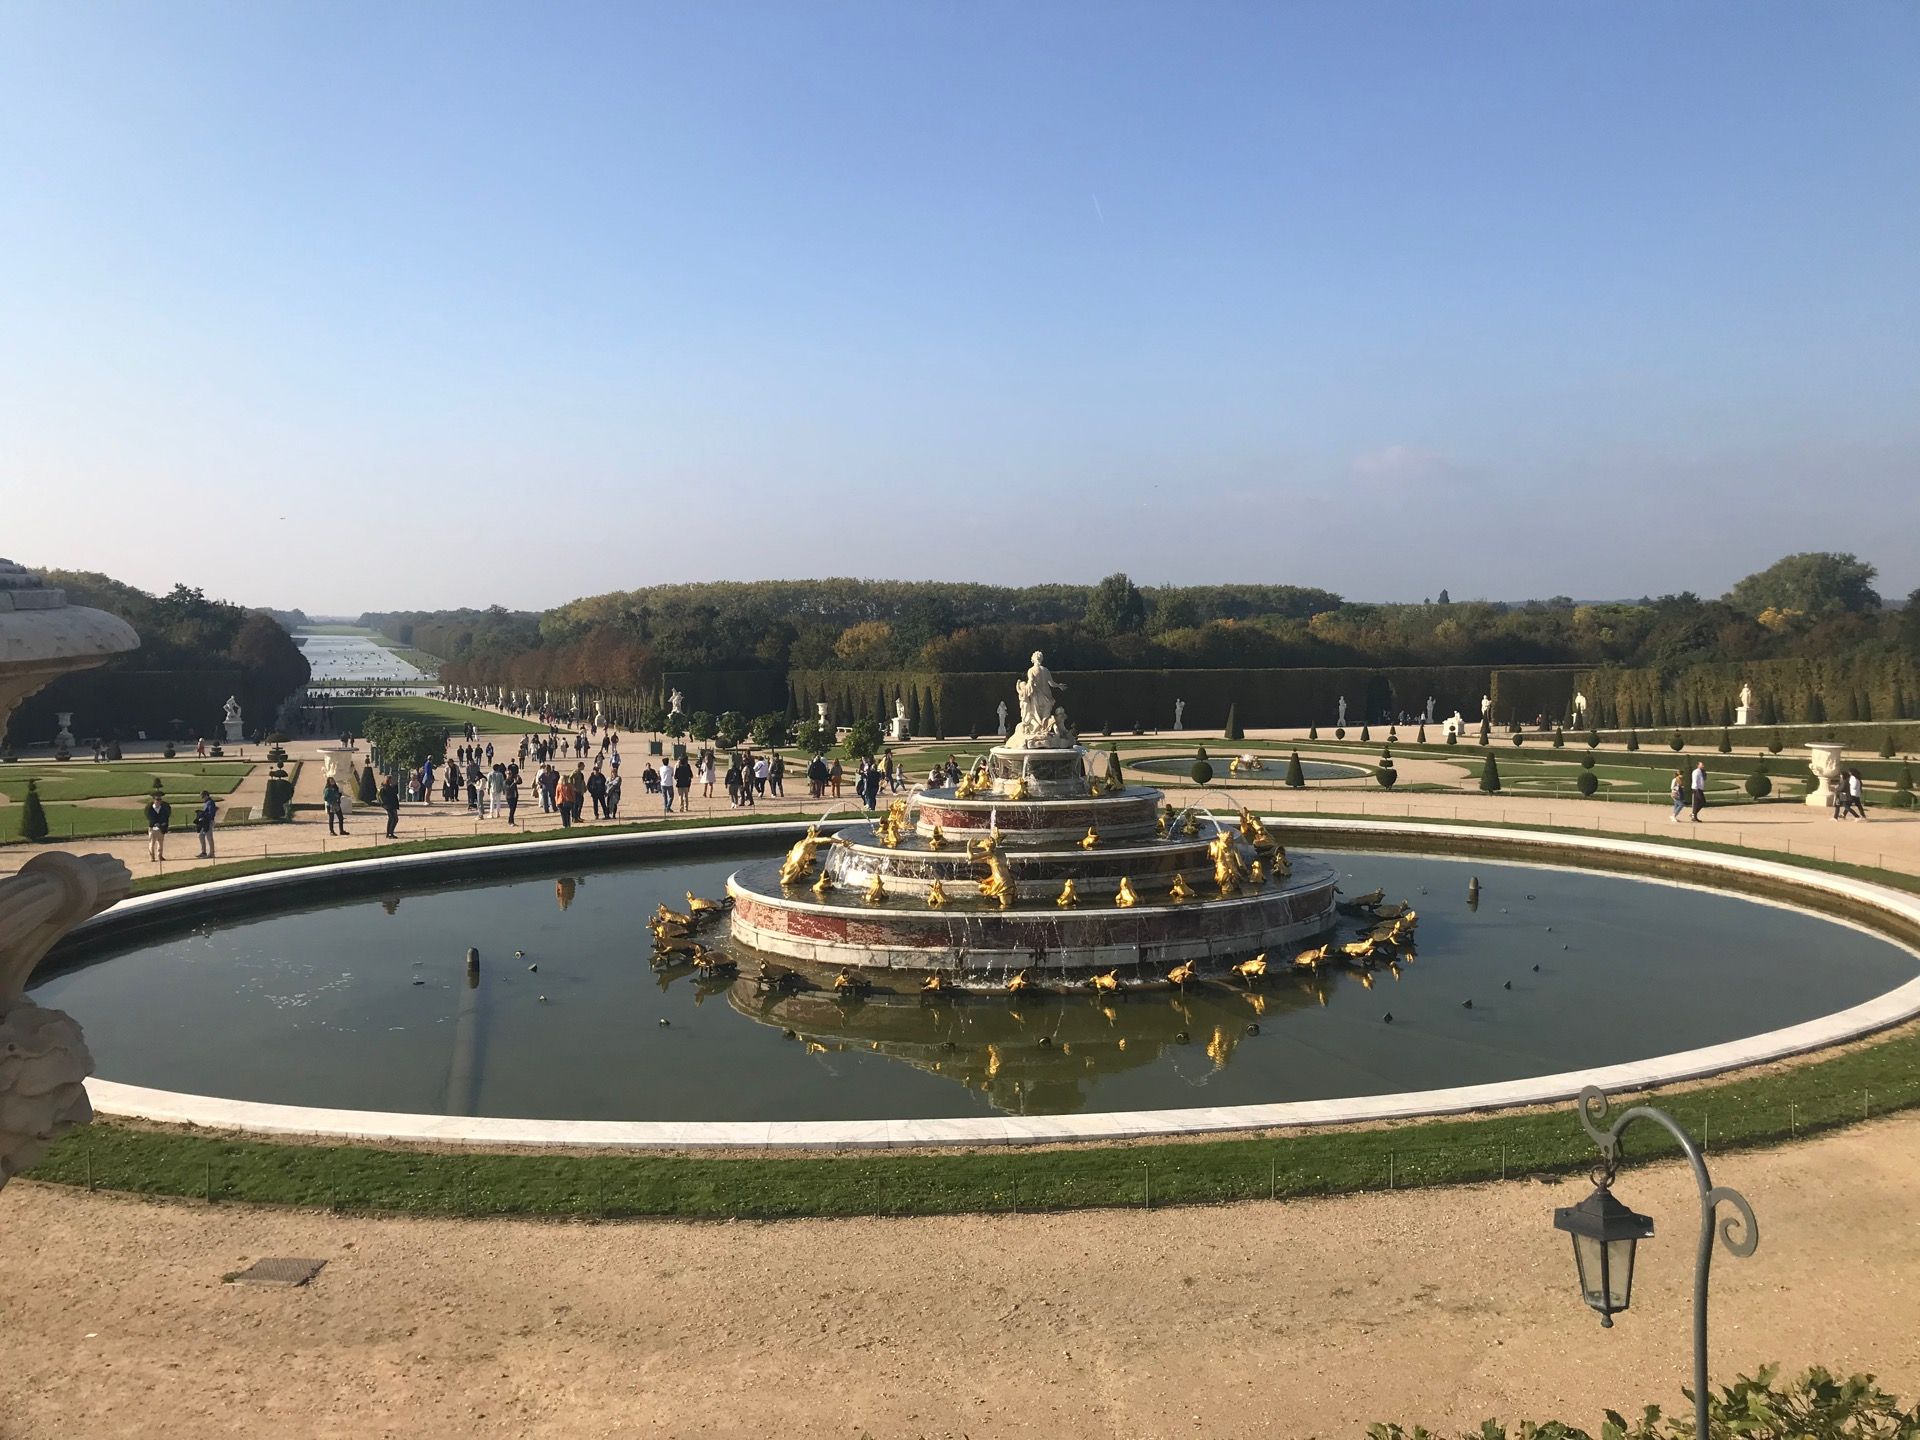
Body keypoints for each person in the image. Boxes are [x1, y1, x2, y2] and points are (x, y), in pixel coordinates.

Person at [191, 790, 219, 857]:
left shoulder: (210, 802)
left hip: (209, 821)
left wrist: (203, 815)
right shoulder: (207, 802)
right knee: (201, 835)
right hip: (206, 821)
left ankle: (211, 853)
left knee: (209, 837)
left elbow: (211, 813)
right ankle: (203, 852)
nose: (202, 798)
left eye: (203, 797)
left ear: (206, 795)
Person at [145, 792, 172, 861]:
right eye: (157, 800)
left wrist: (163, 823)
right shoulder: (149, 808)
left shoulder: (164, 808)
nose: (158, 801)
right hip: (153, 827)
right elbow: (149, 817)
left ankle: (160, 856)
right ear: (154, 800)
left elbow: (166, 816)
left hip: (161, 827)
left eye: (160, 800)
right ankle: (152, 857)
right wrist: (156, 823)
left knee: (160, 842)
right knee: (152, 843)